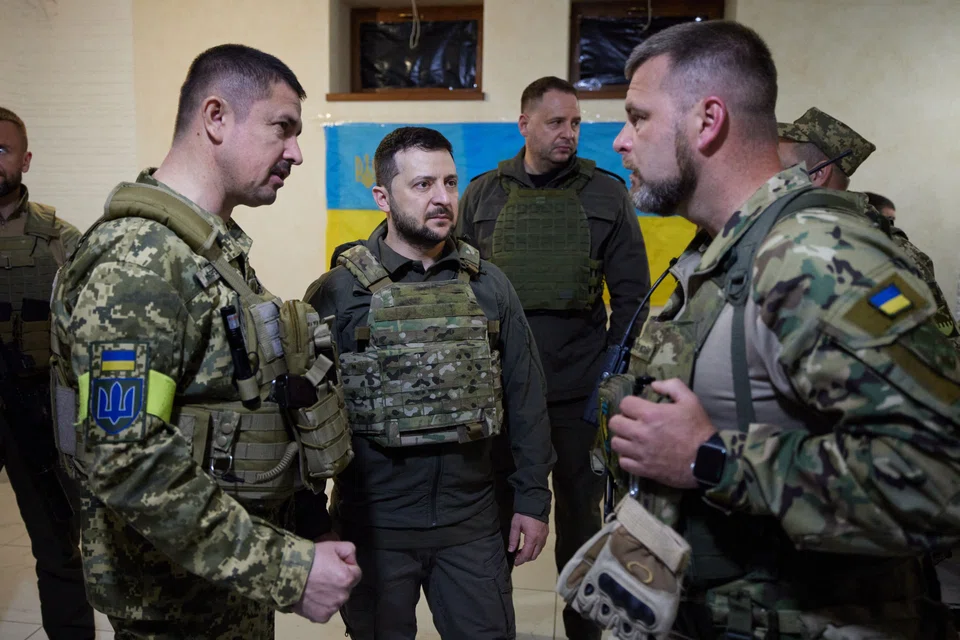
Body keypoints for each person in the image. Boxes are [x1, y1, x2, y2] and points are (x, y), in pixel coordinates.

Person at [605, 20, 960, 638]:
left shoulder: (815, 257)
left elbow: (939, 481)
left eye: (638, 118)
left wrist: (711, 459)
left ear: (707, 120)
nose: (620, 140)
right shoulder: (722, 252)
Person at [49, 44, 360, 639]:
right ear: (216, 118)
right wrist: (290, 569)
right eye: (282, 128)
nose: (296, 151)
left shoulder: (208, 256)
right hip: (175, 606)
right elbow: (125, 459)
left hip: (221, 587)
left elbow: (240, 408)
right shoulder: (140, 263)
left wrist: (302, 520)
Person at [303, 126, 555, 640]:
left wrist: (532, 499)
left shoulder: (489, 285)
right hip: (374, 529)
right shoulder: (338, 292)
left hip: (472, 528)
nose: (442, 198)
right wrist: (311, 518)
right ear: (382, 197)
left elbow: (526, 396)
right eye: (422, 185)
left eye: (449, 182)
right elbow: (306, 413)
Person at [458, 76, 649, 640]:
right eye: (555, 122)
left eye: (575, 123)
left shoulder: (607, 194)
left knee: (581, 525)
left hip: (576, 394)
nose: (569, 134)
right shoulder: (482, 195)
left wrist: (608, 383)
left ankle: (582, 632)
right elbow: (461, 290)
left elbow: (633, 299)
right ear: (524, 125)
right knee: (490, 522)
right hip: (499, 395)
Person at [0, 107, 95, 640]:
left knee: (59, 548)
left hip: (34, 411)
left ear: (25, 159)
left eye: (2, 149)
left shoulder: (61, 240)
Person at [778, 110, 960, 345]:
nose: (768, 179)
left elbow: (937, 352)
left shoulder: (883, 250)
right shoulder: (790, 234)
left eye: (778, 168)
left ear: (818, 173)